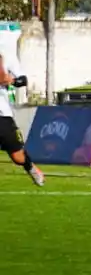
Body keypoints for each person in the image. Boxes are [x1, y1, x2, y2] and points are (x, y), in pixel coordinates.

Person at [0, 51, 44, 186]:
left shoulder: (7, 57)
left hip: (2, 115)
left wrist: (11, 80)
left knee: (18, 157)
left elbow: (22, 80)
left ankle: (30, 167)